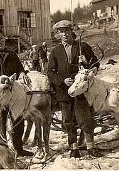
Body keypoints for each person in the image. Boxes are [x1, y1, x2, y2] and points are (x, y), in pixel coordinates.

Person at [47, 20, 102, 158]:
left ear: (71, 31)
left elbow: (95, 63)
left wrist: (87, 63)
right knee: (68, 120)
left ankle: (91, 146)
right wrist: (62, 81)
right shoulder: (55, 51)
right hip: (64, 92)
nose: (64, 34)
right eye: (61, 31)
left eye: (66, 30)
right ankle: (73, 148)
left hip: (81, 89)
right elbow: (50, 72)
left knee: (85, 117)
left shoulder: (82, 46)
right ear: (58, 34)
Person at [0, 28, 33, 157]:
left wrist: (22, 74)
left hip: (15, 96)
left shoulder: (12, 55)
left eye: (1, 38)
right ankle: (2, 152)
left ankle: (19, 149)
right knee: (1, 125)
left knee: (19, 122)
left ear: (5, 39)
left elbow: (20, 68)